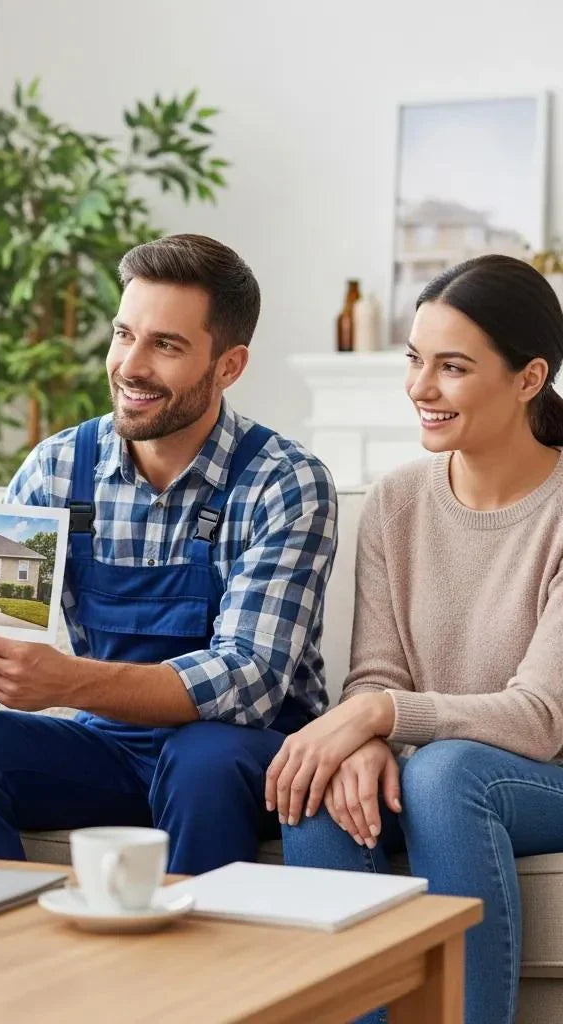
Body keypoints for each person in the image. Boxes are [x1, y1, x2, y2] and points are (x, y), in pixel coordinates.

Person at [0, 234, 337, 874]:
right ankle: (3, 953)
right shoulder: (58, 468)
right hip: (108, 748)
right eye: (123, 334)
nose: (130, 365)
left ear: (229, 366)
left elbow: (250, 681)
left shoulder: (284, 481)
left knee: (202, 758)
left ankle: (199, 969)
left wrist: (70, 680)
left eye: (165, 345)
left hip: (248, 758)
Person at [271, 254, 563, 1024]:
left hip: (544, 774)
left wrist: (380, 718)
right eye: (413, 360)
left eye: (452, 367)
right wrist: (361, 736)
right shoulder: (398, 501)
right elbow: (375, 675)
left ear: (529, 378)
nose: (420, 388)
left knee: (445, 773)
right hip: (442, 762)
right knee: (316, 787)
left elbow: (539, 717)